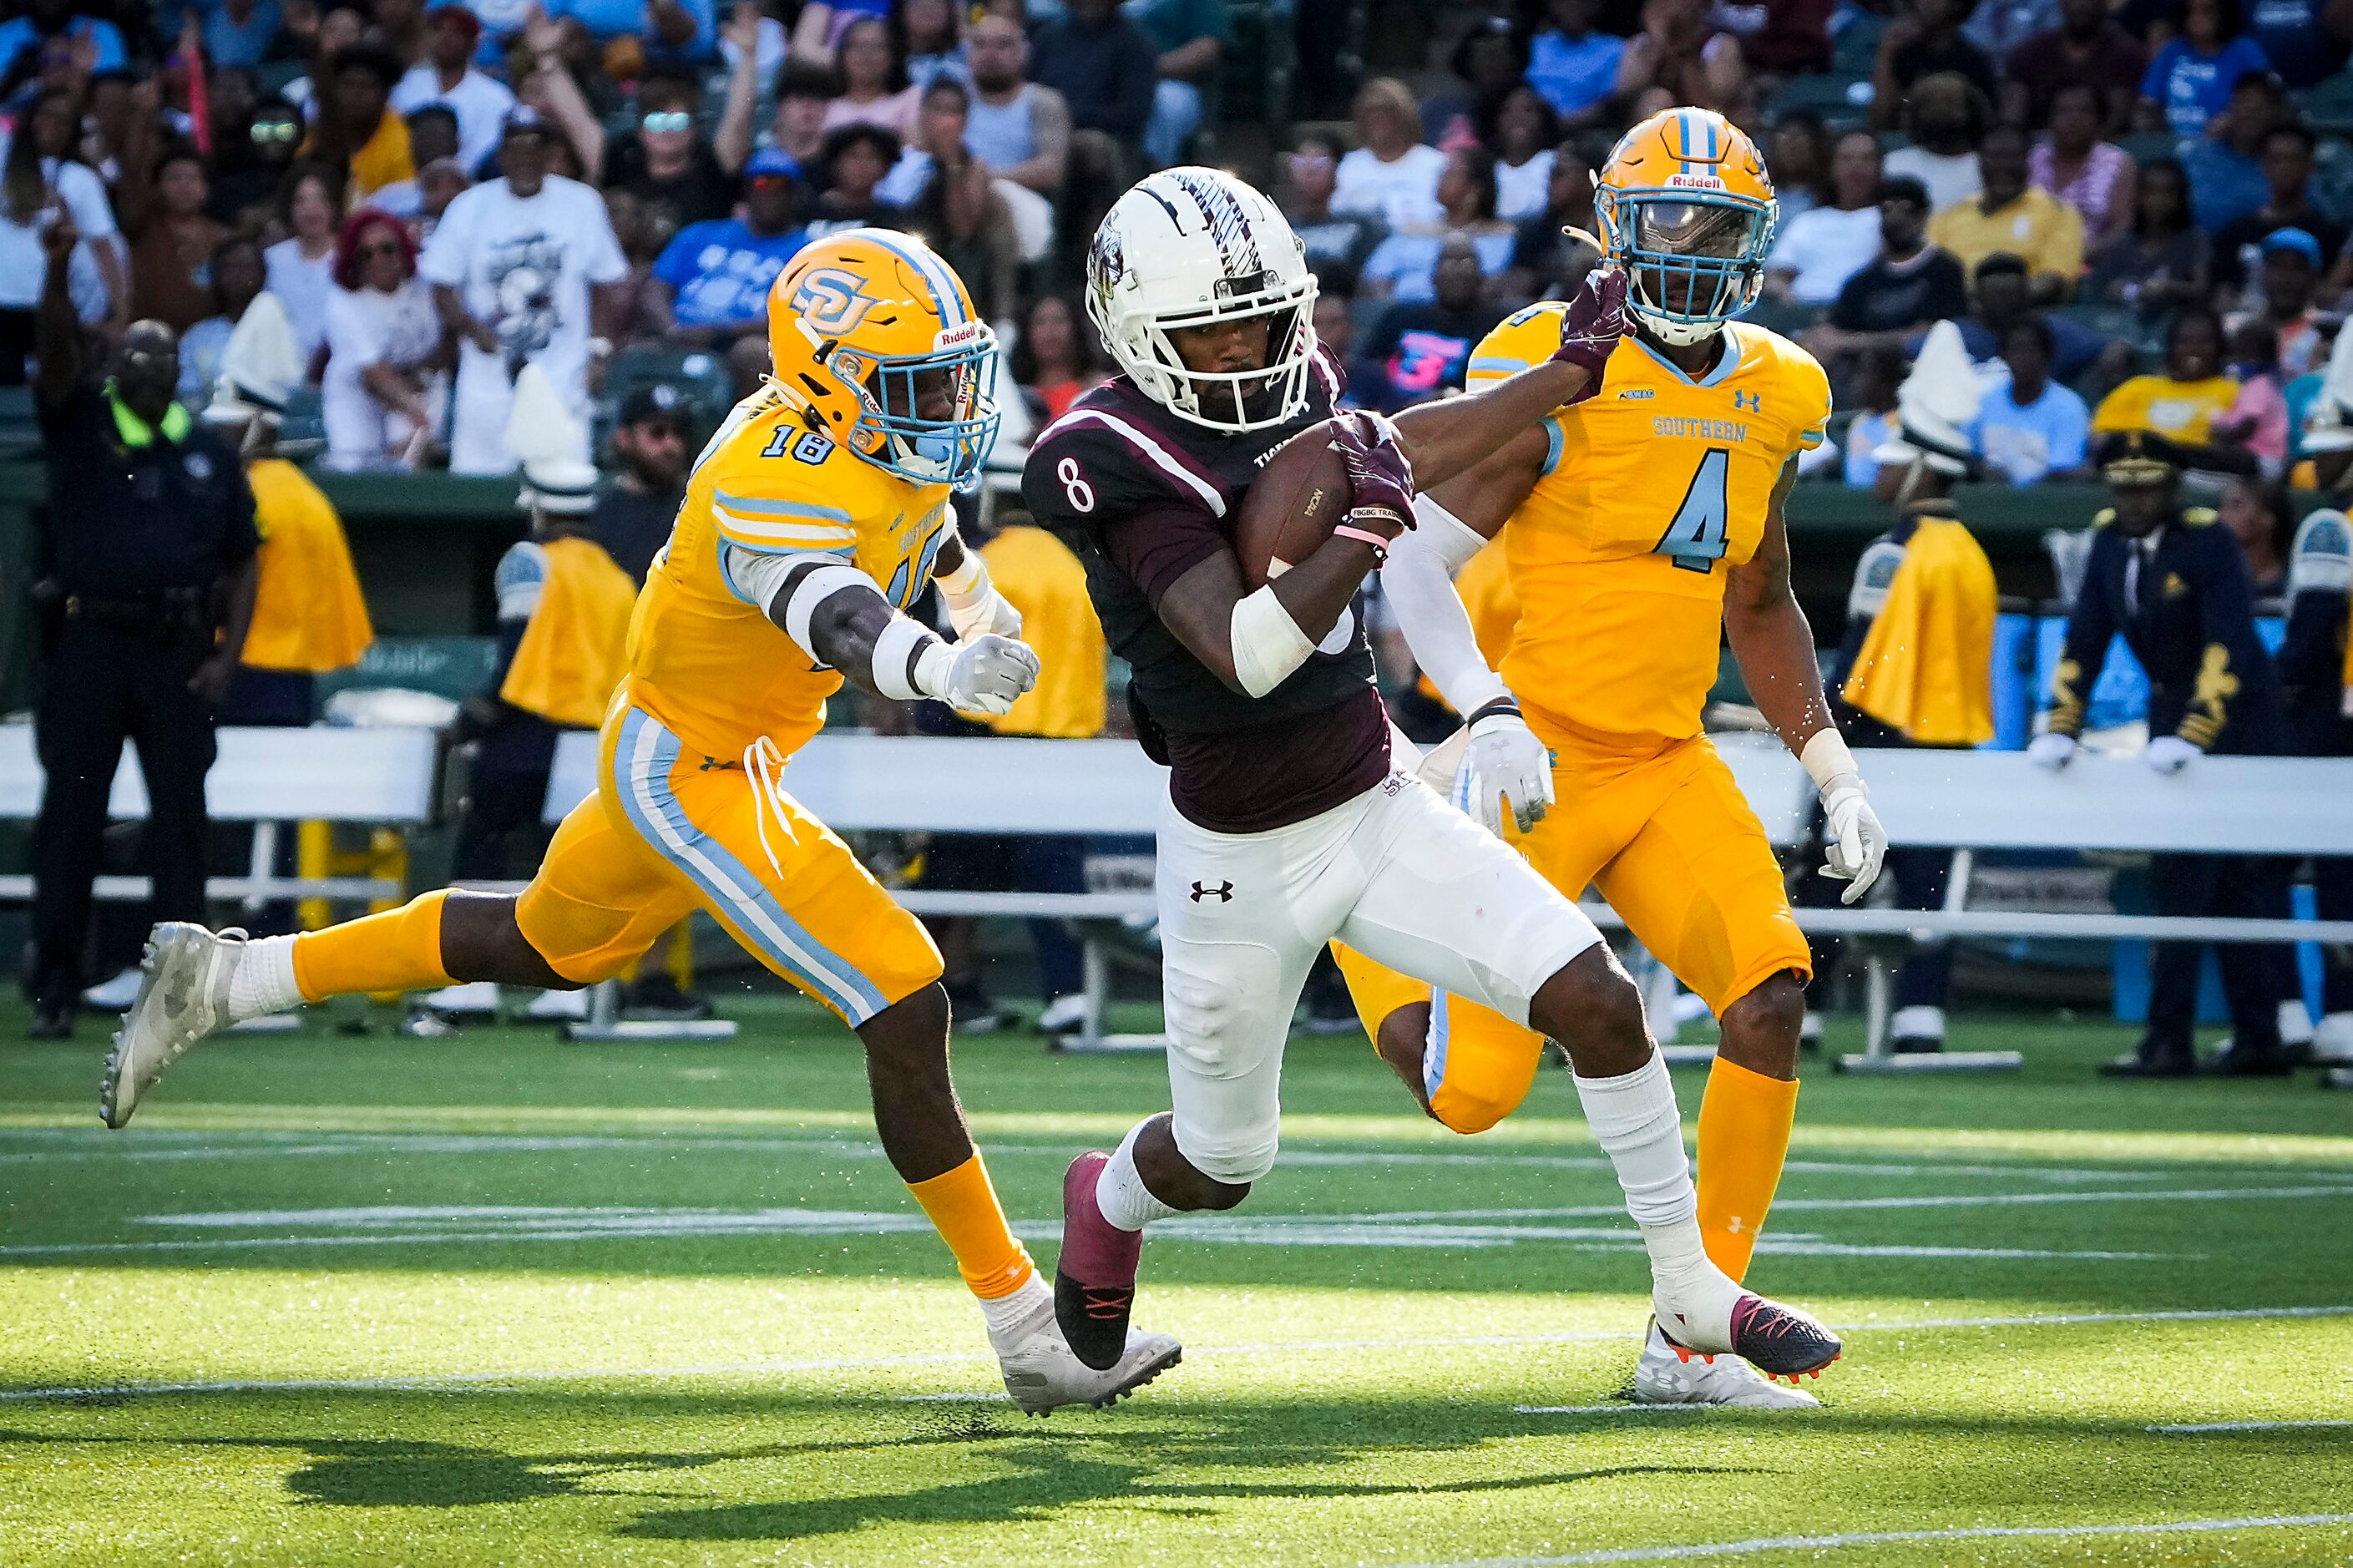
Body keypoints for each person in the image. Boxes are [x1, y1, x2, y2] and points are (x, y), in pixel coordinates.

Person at [101, 225, 1178, 1418]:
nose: (950, 406)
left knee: (542, 945)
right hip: (690, 768)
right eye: (922, 382)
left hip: (705, 750)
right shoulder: (769, 471)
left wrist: (982, 614)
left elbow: (927, 537)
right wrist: (934, 665)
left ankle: (230, 979)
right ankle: (1025, 1323)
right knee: (904, 990)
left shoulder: (871, 438)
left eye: (952, 375)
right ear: (830, 377)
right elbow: (838, 613)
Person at [1025, 163, 1844, 1399]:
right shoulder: (1103, 453)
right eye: (1216, 327)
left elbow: (1389, 441)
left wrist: (1562, 379)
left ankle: (1689, 1300)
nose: (1250, 344)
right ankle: (1108, 1194)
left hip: (1378, 796)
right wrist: (1363, 533)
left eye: (1263, 314)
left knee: (1600, 1000)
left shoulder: (1295, 389)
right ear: (1141, 332)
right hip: (1235, 855)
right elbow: (1246, 651)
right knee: (1220, 1158)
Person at [1336, 110, 1881, 1408]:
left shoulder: (1779, 388)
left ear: (1756, 245)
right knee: (1470, 1098)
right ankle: (1362, 921)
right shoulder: (1550, 361)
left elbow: (1760, 595)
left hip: (1664, 758)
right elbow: (1412, 555)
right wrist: (1479, 706)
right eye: (1662, 221)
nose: (1686, 250)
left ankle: (1688, 1341)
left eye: (1715, 227)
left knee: (1768, 990)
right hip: (1532, 755)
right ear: (1610, 228)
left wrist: (1830, 763)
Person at [23, 215, 258, 1039]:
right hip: (91, 646)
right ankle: (55, 983)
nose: (147, 365)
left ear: (178, 372)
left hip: (178, 653)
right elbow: (53, 359)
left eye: (161, 356)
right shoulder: (83, 426)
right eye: (134, 355)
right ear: (115, 368)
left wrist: (227, 658)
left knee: (181, 829)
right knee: (72, 822)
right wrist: (56, 277)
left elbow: (243, 559)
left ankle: (182, 998)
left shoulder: (205, 450)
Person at [2032, 432, 2292, 1078]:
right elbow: (2085, 635)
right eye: (2123, 487)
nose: (2134, 501)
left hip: (2237, 719)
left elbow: (2227, 641)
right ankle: (2252, 1038)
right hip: (2171, 713)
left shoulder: (2207, 541)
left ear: (2172, 489)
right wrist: (2063, 722)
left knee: (2212, 881)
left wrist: (2197, 732)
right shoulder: (2106, 543)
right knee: (2206, 883)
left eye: (2146, 487)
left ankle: (2173, 1039)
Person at [1809, 322, 1997, 1055]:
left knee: (1826, 873)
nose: (1879, 475)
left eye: (1892, 463)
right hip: (1950, 739)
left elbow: (1858, 658)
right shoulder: (1973, 554)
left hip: (1875, 739)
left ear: (1920, 470)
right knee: (1930, 886)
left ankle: (1813, 1012)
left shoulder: (1892, 555)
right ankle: (1924, 1017)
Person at [422, 109, 626, 475]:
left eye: (535, 145)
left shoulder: (581, 203)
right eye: (515, 146)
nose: (525, 156)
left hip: (563, 371)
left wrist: (598, 350)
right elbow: (441, 283)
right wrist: (469, 325)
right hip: (488, 375)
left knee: (563, 481)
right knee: (479, 482)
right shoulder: (470, 207)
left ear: (550, 152)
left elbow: (607, 283)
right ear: (501, 154)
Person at [200, 295, 373, 728]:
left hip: (238, 672)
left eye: (227, 424)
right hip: (294, 679)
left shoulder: (243, 492)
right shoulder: (306, 493)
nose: (216, 435)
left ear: (254, 424)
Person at [2277, 501, 2353, 1063]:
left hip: (2330, 723)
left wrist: (2266, 692)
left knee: (2263, 867)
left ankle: (2288, 1017)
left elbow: (2309, 635)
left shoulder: (2332, 528)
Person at [0, 83, 124, 378]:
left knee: (58, 397)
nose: (51, 125)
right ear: (30, 118)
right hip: (2, 305)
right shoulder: (3, 163)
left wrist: (120, 317)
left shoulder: (80, 178)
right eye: (45, 115)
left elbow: (105, 250)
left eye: (62, 119)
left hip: (54, 307)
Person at [645, 146, 807, 350]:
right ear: (746, 191)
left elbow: (797, 316)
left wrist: (721, 333)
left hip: (742, 342)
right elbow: (656, 288)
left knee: (753, 352)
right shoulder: (699, 233)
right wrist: (671, 329)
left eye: (781, 185)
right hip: (679, 333)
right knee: (637, 354)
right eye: (761, 184)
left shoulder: (807, 251)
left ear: (795, 194)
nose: (770, 193)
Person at [1804, 175, 1969, 371]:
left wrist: (1853, 343)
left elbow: (1929, 336)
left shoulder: (1944, 269)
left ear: (1924, 215)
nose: (1896, 218)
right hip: (1864, 374)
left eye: (1907, 209)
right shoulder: (1862, 281)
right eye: (1887, 209)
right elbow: (1830, 335)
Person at [321, 205, 443, 468]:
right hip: (357, 391)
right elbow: (374, 373)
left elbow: (449, 336)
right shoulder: (342, 300)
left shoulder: (427, 278)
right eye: (366, 254)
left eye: (387, 249)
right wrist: (413, 409)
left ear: (403, 249)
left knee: (411, 453)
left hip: (422, 380)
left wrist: (420, 383)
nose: (378, 259)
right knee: (353, 467)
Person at [1926, 124, 2085, 303]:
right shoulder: (1949, 215)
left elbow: (2053, 280)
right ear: (1980, 161)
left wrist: (1993, 301)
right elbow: (1928, 273)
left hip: (2022, 315)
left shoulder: (2059, 212)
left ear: (2027, 160)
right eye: (1995, 157)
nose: (2003, 166)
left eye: (2013, 157)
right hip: (1953, 313)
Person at [960, 12, 1068, 266]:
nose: (990, 53)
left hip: (1022, 202)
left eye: (1003, 45)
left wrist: (985, 178)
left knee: (994, 199)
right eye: (980, 44)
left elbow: (1051, 170)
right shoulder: (954, 99)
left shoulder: (1043, 101)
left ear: (1023, 52)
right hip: (959, 198)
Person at [2092, 308, 2256, 473]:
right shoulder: (2137, 387)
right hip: (2135, 466)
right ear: (2171, 348)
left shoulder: (2234, 391)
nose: (2194, 349)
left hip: (2197, 469)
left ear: (2220, 349)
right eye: (2184, 342)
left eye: (2205, 342)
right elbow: (2102, 440)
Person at [1359, 234, 1505, 409]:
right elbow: (1367, 365)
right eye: (1449, 262)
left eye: (1466, 263)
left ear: (1481, 278)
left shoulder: (1496, 324)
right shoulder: (1401, 315)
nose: (1456, 271)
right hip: (1390, 409)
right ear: (1433, 276)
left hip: (1452, 412)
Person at [1357, 146, 1516, 303]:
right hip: (1405, 318)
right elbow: (1374, 278)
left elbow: (1498, 285)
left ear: (1475, 188)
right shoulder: (1412, 232)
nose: (1440, 180)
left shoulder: (1501, 237)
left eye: (1450, 174)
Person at [2213, 128, 2346, 296]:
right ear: (2264, 166)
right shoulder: (2235, 233)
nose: (2284, 167)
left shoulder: (2332, 235)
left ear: (2310, 166)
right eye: (2276, 160)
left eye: (2293, 160)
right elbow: (2222, 289)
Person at [119, 140, 231, 335]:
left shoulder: (224, 238)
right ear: (157, 187)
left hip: (207, 343)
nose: (184, 186)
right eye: (174, 178)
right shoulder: (142, 229)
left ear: (206, 189)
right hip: (150, 336)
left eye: (192, 178)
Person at [390, 3, 514, 175]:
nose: (446, 38)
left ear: (474, 44)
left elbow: (489, 152)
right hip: (406, 178)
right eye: (439, 30)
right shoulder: (408, 83)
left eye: (457, 32)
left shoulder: (496, 97)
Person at [1763, 129, 1883, 306]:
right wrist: (1790, 302)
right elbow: (1777, 275)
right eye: (1846, 158)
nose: (1856, 166)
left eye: (1867, 158)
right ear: (1833, 167)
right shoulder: (1808, 221)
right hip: (1800, 310)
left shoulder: (1887, 220)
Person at [1972, 315, 2093, 484]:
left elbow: (2063, 472)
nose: (2022, 358)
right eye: (2015, 349)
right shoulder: (1987, 401)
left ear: (2047, 356)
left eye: (2030, 350)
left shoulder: (2070, 408)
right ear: (2004, 355)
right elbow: (1970, 455)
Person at [1027, 0, 1156, 159]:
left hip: (1106, 137)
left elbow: (1132, 114)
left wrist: (1070, 116)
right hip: (1041, 123)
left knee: (1087, 146)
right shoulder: (1048, 37)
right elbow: (1026, 88)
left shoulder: (1134, 44)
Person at [590, 380, 690, 584]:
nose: (671, 445)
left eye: (678, 432)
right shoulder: (602, 512)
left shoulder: (696, 500)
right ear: (625, 439)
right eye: (657, 433)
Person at [301, 44, 418, 215]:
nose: (356, 94)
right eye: (348, 84)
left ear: (385, 94)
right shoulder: (322, 129)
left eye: (366, 86)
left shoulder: (403, 142)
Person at [2085, 159, 2211, 316]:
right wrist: (2113, 292)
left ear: (2181, 198)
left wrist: (2169, 288)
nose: (2158, 200)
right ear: (2138, 196)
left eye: (2168, 192)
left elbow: (2201, 289)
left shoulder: (2194, 239)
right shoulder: (2121, 242)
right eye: (2150, 192)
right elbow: (2098, 292)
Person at [2002, 0, 2146, 132]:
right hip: (2039, 143)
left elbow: (2119, 116)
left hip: (2106, 146)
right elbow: (2014, 114)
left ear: (2104, 4)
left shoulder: (2126, 53)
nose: (2081, 5)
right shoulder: (2032, 51)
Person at [2182, 69, 2290, 235]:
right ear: (2231, 105)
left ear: (2277, 112)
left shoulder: (2287, 161)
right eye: (2245, 100)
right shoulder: (2195, 155)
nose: (2252, 109)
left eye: (2263, 103)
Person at [2140, 0, 2270, 136]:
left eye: (2207, 11)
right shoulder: (2173, 50)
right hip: (2172, 143)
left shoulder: (2245, 51)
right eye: (2191, 11)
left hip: (2227, 142)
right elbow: (2148, 99)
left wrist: (2232, 121)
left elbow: (2264, 99)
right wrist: (2150, 117)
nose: (2197, 18)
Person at [1333, 77, 1445, 234]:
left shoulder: (1435, 164)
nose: (1376, 119)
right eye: (1369, 112)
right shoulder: (1351, 164)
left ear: (1403, 115)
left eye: (1385, 111)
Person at [1283, 131, 1386, 297]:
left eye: (1319, 164)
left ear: (1339, 168)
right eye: (1301, 163)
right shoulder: (1281, 227)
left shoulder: (1361, 227)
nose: (1309, 172)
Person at [1127, 0, 1227, 169]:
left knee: (1167, 101)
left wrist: (1145, 70)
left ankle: (1154, 178)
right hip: (1097, 81)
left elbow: (1207, 47)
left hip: (1169, 83)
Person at [2032, 83, 2134, 244]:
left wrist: (2076, 257)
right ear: (2049, 118)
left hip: (2094, 260)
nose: (2074, 120)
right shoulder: (2031, 159)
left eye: (2085, 111)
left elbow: (2122, 229)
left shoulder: (2118, 163)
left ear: (2099, 118)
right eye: (2064, 111)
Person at [263, 164, 340, 367]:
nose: (311, 208)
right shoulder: (272, 259)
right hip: (283, 367)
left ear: (332, 207)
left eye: (320, 199)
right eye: (301, 201)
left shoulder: (350, 256)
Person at [1615, 0, 1747, 119]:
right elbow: (1625, 94)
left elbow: (1714, 103)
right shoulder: (1643, 45)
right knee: (1657, 99)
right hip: (1656, 132)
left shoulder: (1721, 45)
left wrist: (1683, 49)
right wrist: (1659, 44)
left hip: (1707, 128)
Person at [2226, 228, 2330, 377]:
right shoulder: (2235, 329)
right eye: (2278, 266)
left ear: (2313, 277)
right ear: (2263, 272)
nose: (2286, 278)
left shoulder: (2327, 334)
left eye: (2298, 268)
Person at [178, 234, 266, 407]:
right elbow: (188, 397)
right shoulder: (197, 338)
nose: (238, 275)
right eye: (230, 267)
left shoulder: (285, 334)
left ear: (262, 274)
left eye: (246, 266)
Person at [1873, 0, 1999, 121]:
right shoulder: (1903, 54)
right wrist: (1887, 54)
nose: (1927, 3)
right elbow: (1883, 116)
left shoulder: (1974, 61)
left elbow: (1987, 119)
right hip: (1908, 138)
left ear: (1958, 5)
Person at [1881, 73, 1988, 215]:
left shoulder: (1987, 167)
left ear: (1971, 113)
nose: (1941, 114)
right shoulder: (1893, 163)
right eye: (1931, 108)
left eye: (1951, 105)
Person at [1524, 0, 1624, 129]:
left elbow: (1612, 104)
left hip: (1588, 130)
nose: (1572, 8)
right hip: (1534, 126)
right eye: (1565, 3)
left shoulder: (1615, 49)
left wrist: (1564, 124)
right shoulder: (1535, 46)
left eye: (1579, 3)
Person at [1009, 291, 1101, 424]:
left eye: (1059, 320)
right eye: (1040, 322)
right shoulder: (1013, 398)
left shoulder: (1098, 392)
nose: (1050, 330)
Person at [822, 13, 920, 138]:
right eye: (858, 46)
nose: (867, 55)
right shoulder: (826, 107)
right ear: (842, 55)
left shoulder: (911, 98)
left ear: (893, 55)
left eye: (877, 46)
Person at [1485, 83, 1559, 223]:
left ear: (1543, 118)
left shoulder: (1554, 162)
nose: (1518, 118)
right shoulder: (1487, 168)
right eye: (1508, 111)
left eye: (1528, 110)